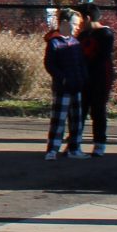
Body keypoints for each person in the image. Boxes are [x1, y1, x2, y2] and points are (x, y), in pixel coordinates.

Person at [42, 8, 88, 160]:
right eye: (74, 24)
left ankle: (74, 148)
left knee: (77, 119)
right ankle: (52, 149)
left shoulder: (75, 43)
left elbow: (81, 64)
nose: (76, 27)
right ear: (64, 23)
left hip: (77, 86)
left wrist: (82, 78)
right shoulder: (54, 43)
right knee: (58, 120)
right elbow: (50, 64)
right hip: (63, 88)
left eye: (78, 24)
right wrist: (62, 78)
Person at [74, 2, 115, 158]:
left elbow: (101, 57)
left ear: (88, 18)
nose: (78, 24)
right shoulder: (83, 35)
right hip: (83, 78)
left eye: (80, 19)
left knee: (97, 110)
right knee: (80, 110)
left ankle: (99, 143)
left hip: (100, 77)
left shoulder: (106, 34)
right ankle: (75, 143)